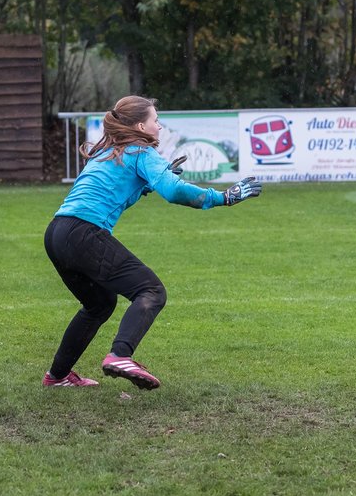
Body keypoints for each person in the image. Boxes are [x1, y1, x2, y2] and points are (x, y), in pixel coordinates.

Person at [43, 95, 262, 389]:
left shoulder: (107, 151)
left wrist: (144, 186)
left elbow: (114, 191)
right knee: (151, 290)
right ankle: (120, 355)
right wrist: (224, 197)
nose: (159, 126)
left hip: (57, 232)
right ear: (139, 126)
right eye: (155, 120)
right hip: (83, 233)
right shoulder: (140, 152)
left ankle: (57, 375)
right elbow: (173, 192)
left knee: (99, 304)